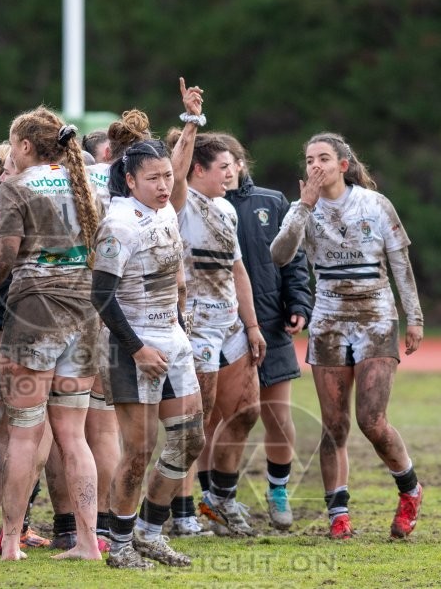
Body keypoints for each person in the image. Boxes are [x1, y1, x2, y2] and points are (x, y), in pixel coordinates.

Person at [0, 106, 102, 562]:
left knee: (24, 433)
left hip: (35, 312)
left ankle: (13, 543)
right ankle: (86, 543)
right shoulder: (87, 183)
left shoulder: (16, 186)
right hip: (85, 313)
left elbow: (1, 262)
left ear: (22, 146)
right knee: (74, 437)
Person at [270, 132, 424, 540]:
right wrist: (303, 207)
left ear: (343, 164)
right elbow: (279, 255)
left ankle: (410, 490)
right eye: (308, 160)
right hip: (329, 320)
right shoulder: (302, 208)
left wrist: (415, 317)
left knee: (371, 421)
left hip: (375, 317)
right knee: (334, 426)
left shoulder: (374, 205)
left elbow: (400, 263)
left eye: (323, 158)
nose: (314, 166)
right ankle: (338, 513)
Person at [91, 137, 205, 569]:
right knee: (139, 452)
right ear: (129, 179)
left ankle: (150, 533)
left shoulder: (165, 214)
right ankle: (118, 545)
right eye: (153, 177)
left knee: (190, 439)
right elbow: (100, 296)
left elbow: (173, 279)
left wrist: (178, 323)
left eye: (167, 176)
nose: (163, 184)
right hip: (132, 346)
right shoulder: (119, 224)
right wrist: (137, 350)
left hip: (172, 341)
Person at [212, 132, 312, 531]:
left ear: (240, 162)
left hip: (270, 322)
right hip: (222, 326)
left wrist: (299, 303)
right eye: (217, 165)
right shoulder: (202, 205)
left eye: (229, 163)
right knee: (220, 419)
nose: (226, 171)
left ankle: (278, 491)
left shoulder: (271, 201)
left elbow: (294, 258)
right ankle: (218, 499)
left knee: (277, 414)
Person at [169, 131, 267, 537]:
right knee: (195, 424)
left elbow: (237, 270)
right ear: (198, 170)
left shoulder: (227, 209)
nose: (232, 173)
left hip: (231, 326)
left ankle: (220, 499)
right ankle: (181, 510)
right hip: (196, 327)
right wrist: (190, 123)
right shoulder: (179, 202)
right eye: (223, 167)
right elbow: (175, 175)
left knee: (247, 411)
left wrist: (253, 325)